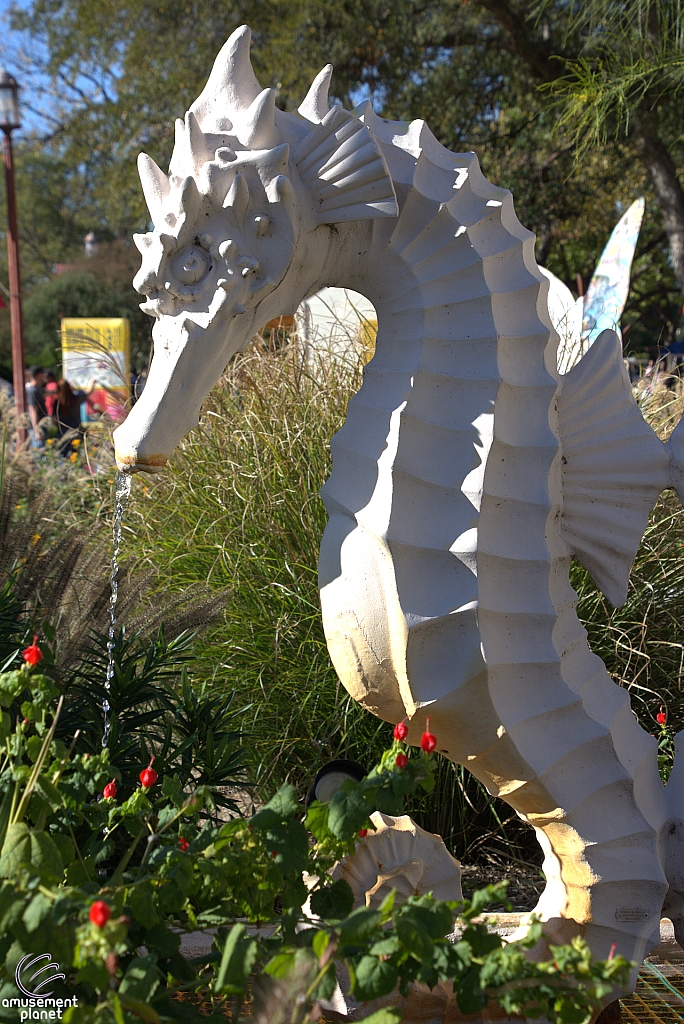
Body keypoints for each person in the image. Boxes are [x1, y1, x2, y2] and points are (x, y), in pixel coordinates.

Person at [54, 378, 96, 451]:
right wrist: (92, 381)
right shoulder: (76, 398)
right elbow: (89, 391)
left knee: (64, 454)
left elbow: (53, 419)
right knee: (77, 454)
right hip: (76, 431)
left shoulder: (57, 403)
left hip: (62, 433)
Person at [26, 366, 48, 448]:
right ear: (38, 375)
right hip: (38, 429)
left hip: (41, 428)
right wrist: (37, 431)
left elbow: (50, 392)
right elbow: (33, 411)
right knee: (39, 455)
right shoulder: (33, 391)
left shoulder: (37, 389)